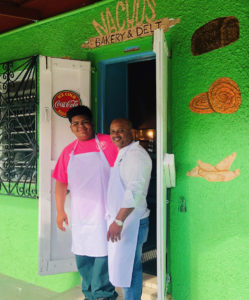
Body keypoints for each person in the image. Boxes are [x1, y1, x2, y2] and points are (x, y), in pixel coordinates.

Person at [52, 105, 118, 300]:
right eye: (75, 124)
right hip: (81, 213)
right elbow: (61, 183)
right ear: (71, 128)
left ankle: (103, 294)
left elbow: (126, 172)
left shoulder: (108, 143)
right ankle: (89, 294)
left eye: (84, 122)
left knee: (103, 255)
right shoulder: (68, 152)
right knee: (82, 255)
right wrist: (60, 211)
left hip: (106, 211)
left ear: (92, 123)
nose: (81, 127)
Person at [106, 118, 152, 300]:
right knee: (123, 267)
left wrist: (118, 220)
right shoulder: (123, 153)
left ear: (131, 133)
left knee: (130, 269)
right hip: (122, 221)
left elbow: (134, 192)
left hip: (130, 222)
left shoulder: (136, 156)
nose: (116, 135)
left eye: (121, 131)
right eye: (112, 131)